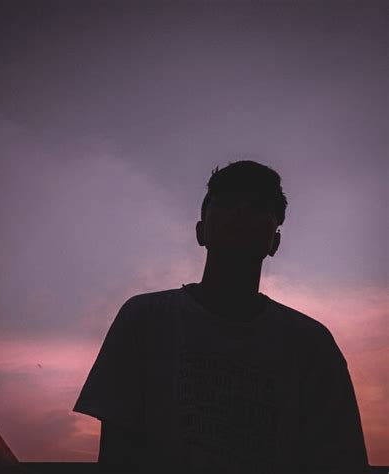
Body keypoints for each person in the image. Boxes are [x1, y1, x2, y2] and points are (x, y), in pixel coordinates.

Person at [72, 160, 369, 473]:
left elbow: (338, 458)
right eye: (227, 202)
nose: (241, 212)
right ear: (201, 231)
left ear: (275, 242)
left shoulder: (312, 345)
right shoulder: (145, 319)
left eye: (258, 206)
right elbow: (117, 454)